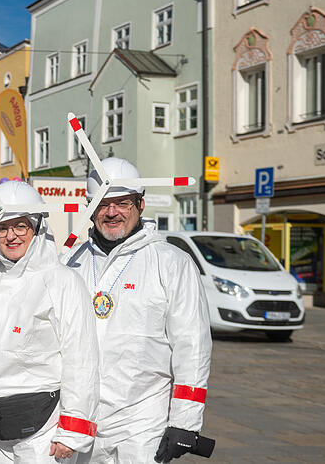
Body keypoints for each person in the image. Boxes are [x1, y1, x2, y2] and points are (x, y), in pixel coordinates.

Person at [60, 158, 212, 464]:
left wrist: (185, 422)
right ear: (90, 208)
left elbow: (192, 346)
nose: (111, 212)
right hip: (79, 420)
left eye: (122, 203)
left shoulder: (171, 263)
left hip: (142, 423)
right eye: (102, 204)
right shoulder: (70, 262)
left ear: (140, 205)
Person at [0, 181, 100, 464]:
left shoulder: (62, 281)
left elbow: (81, 357)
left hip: (43, 427)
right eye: (3, 228)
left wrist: (74, 430)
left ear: (38, 227)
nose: (11, 236)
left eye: (21, 226)